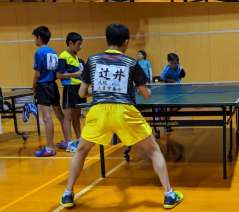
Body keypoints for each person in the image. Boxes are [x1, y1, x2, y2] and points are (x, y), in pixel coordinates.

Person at [59, 24, 183, 209]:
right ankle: (169, 195)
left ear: (107, 40)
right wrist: (146, 90)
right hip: (124, 112)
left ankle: (68, 194)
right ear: (126, 42)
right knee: (153, 150)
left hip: (99, 112)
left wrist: (101, 91)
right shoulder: (131, 63)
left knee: (81, 151)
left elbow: (82, 93)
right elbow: (145, 94)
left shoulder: (92, 60)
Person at [32, 26, 65, 157]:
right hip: (53, 86)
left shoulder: (39, 52)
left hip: (43, 86)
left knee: (47, 118)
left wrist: (33, 87)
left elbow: (37, 74)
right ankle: (68, 141)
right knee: (60, 115)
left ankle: (50, 148)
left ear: (39, 38)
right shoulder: (53, 51)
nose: (34, 40)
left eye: (35, 37)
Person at [56, 32, 86, 153]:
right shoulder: (63, 57)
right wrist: (76, 74)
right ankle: (69, 144)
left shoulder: (77, 58)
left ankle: (79, 141)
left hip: (79, 89)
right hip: (69, 89)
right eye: (78, 44)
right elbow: (59, 75)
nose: (80, 47)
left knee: (76, 117)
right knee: (67, 117)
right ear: (70, 43)